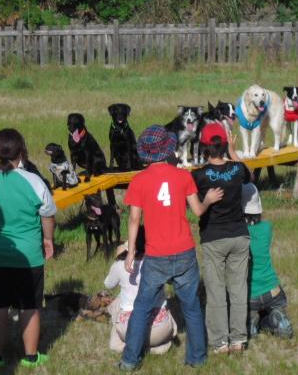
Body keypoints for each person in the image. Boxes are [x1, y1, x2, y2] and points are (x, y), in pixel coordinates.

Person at [119, 125, 223, 371]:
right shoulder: (183, 176)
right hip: (184, 251)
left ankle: (129, 360)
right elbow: (198, 210)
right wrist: (208, 200)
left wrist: (131, 251)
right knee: (192, 307)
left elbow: (134, 219)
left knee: (142, 307)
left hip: (156, 255)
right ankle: (198, 358)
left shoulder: (138, 181)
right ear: (167, 149)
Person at [0, 128, 56, 368]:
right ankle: (31, 357)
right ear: (21, 151)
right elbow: (48, 214)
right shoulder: (34, 181)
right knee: (29, 307)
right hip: (28, 256)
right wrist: (48, 239)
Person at [191, 123, 251, 354]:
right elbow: (249, 175)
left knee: (216, 292)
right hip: (239, 235)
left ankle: (220, 342)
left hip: (213, 238)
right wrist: (234, 153)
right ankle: (238, 339)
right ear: (224, 145)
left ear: (204, 147)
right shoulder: (237, 169)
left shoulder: (198, 175)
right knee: (238, 289)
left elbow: (194, 205)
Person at [105, 227, 178, 355]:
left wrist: (118, 258)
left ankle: (128, 345)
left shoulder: (120, 265)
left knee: (117, 302)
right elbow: (172, 280)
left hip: (129, 330)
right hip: (160, 329)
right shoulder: (159, 262)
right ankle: (157, 346)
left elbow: (108, 284)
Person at [243, 183, 293, 339]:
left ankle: (252, 320)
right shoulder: (266, 228)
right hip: (273, 291)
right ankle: (275, 316)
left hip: (250, 296)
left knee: (248, 309)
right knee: (275, 304)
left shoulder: (238, 234)